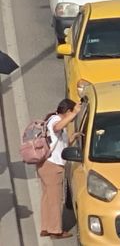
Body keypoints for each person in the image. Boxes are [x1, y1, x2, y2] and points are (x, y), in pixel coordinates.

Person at [38, 97, 79, 238]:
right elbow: (57, 128)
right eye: (72, 113)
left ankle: (45, 227)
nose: (74, 118)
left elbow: (60, 143)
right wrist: (74, 113)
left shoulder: (51, 119)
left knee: (47, 197)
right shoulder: (55, 121)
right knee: (55, 199)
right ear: (67, 111)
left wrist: (73, 137)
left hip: (45, 164)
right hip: (52, 166)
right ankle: (55, 230)